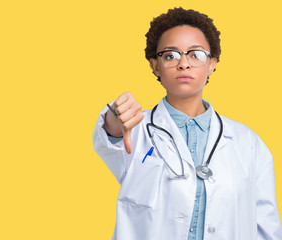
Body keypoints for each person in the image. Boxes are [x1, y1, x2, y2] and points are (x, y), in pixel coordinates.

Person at [92, 7, 282, 240]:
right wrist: (115, 117)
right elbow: (111, 139)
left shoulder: (248, 143)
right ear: (155, 65)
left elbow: (267, 227)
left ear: (212, 63)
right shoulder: (137, 130)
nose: (183, 64)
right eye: (170, 55)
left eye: (195, 54)